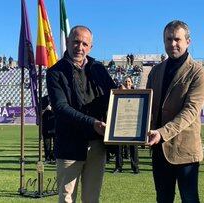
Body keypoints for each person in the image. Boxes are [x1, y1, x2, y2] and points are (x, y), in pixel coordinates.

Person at [46, 25, 116, 203]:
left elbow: (113, 98)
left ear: (90, 47)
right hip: (69, 145)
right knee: (67, 198)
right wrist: (92, 122)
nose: (80, 47)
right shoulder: (55, 72)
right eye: (76, 42)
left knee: (92, 199)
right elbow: (61, 108)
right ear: (68, 42)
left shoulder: (98, 68)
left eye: (85, 43)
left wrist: (126, 97)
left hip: (96, 145)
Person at [146, 20, 204, 202]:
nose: (172, 44)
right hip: (159, 149)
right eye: (168, 39)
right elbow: (147, 106)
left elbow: (190, 111)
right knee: (163, 198)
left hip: (185, 151)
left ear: (188, 41)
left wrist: (161, 133)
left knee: (189, 199)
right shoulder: (155, 71)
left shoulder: (199, 72)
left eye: (177, 39)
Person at [113, 76, 139, 174]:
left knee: (133, 146)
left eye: (129, 81)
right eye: (125, 81)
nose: (127, 83)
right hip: (121, 122)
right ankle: (118, 167)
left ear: (132, 83)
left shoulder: (137, 94)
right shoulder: (118, 94)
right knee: (119, 146)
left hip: (133, 123)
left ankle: (135, 167)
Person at [41, 95, 56, 164]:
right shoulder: (43, 99)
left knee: (56, 144)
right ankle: (47, 158)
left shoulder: (57, 97)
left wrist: (52, 109)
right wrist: (44, 110)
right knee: (47, 144)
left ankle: (55, 157)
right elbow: (39, 112)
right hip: (46, 125)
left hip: (55, 125)